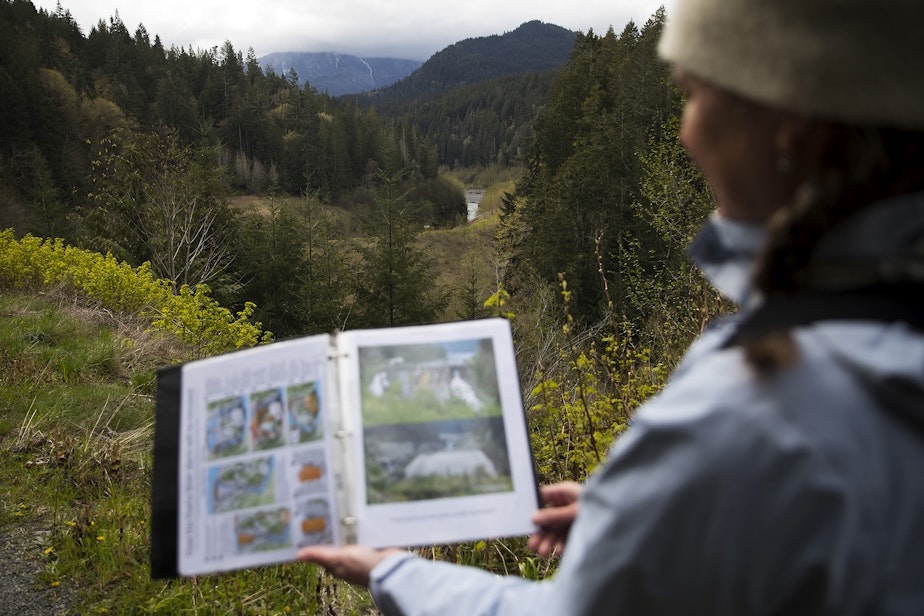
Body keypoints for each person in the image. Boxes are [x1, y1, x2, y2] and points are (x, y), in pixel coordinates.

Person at [299, 0, 924, 612]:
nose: (686, 131)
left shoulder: (750, 405)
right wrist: (655, 514)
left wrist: (393, 572)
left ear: (788, 128)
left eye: (697, 96)